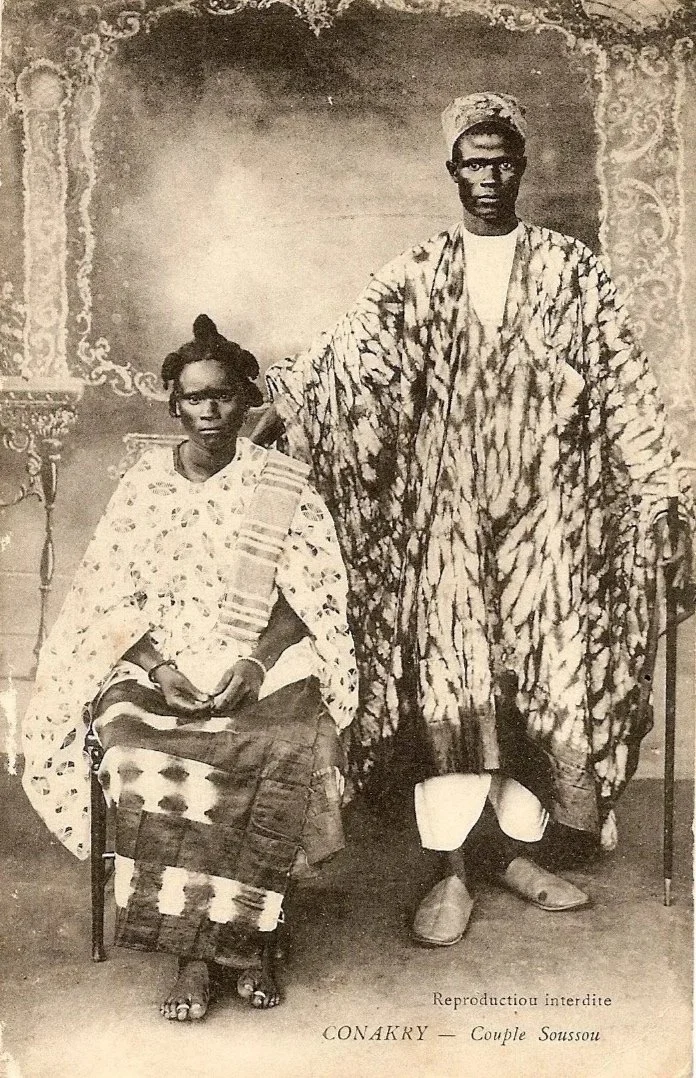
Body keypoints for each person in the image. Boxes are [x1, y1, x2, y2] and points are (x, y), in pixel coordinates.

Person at [252, 92, 694, 947]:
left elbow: (626, 386)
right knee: (454, 686)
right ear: (451, 170)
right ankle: (451, 872)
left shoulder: (574, 271)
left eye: (503, 161)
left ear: (521, 169)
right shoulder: (417, 272)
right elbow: (345, 359)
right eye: (472, 161)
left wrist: (661, 497)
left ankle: (516, 855)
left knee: (537, 682)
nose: (488, 176)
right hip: (445, 522)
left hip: (549, 522)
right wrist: (281, 400)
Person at [21, 314, 358, 1016]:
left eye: (225, 395)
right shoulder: (144, 487)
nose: (210, 411)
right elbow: (107, 597)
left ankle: (254, 941)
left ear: (247, 400)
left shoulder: (283, 484)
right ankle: (193, 955)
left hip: (263, 654)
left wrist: (256, 665)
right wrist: (157, 665)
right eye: (195, 397)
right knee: (138, 753)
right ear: (173, 405)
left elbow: (310, 597)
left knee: (276, 749)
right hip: (159, 655)